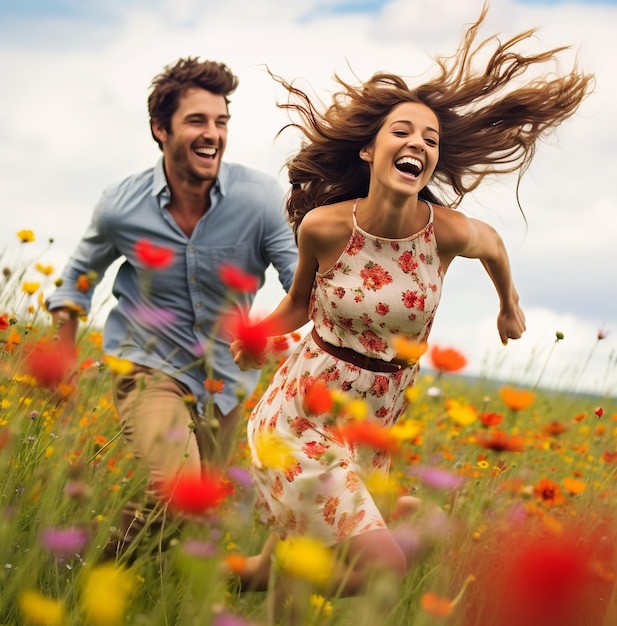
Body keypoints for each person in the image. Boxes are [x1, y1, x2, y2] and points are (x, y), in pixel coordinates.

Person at [229, 5, 594, 604]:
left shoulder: (444, 232)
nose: (418, 144)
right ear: (370, 153)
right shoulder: (323, 227)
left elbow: (496, 246)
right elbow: (299, 304)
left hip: (374, 424)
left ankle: (250, 576)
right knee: (385, 567)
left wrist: (511, 305)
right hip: (302, 415)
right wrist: (249, 335)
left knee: (292, 575)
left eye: (430, 139)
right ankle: (265, 573)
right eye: (402, 131)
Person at [45, 57, 298, 557]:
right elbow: (76, 282)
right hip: (148, 366)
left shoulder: (260, 198)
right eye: (197, 121)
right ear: (160, 129)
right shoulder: (122, 204)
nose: (213, 135)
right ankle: (84, 572)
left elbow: (301, 283)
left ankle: (89, 569)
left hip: (225, 381)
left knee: (190, 512)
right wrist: (62, 361)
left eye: (221, 122)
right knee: (178, 489)